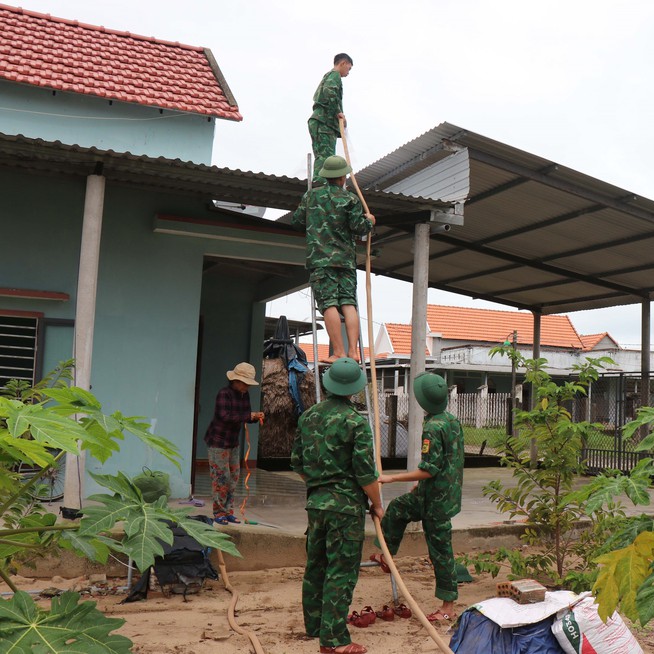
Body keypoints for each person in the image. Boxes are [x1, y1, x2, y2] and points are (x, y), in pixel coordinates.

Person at [292, 358, 383, 654]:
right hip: (345, 509)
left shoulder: (308, 417)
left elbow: (297, 462)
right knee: (341, 571)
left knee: (316, 566)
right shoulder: (355, 422)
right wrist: (377, 504)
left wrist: (319, 483)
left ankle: (316, 626)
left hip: (316, 505)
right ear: (354, 390)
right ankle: (334, 640)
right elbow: (366, 474)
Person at [370, 372, 464, 622]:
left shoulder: (433, 428)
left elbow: (429, 469)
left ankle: (448, 607)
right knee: (399, 507)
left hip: (437, 502)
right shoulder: (451, 420)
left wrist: (392, 478)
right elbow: (447, 462)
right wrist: (419, 487)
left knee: (440, 551)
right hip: (438, 493)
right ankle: (386, 556)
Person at [291, 155, 375, 362]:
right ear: (343, 177)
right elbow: (359, 227)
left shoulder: (311, 196)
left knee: (329, 304)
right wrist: (370, 221)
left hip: (320, 260)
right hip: (346, 261)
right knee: (348, 303)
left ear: (326, 176)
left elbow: (297, 221)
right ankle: (353, 352)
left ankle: (338, 352)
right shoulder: (351, 199)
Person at [203, 362, 264, 525]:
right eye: (245, 384)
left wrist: (255, 417)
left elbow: (245, 416)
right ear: (236, 381)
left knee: (234, 477)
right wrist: (248, 416)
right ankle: (218, 512)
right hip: (218, 442)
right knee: (221, 478)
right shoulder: (224, 394)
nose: (247, 387)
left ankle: (228, 511)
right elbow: (225, 416)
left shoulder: (245, 395)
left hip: (233, 443)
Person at [308, 53, 353, 179]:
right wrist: (338, 112)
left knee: (322, 156)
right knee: (326, 158)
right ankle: (322, 184)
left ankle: (320, 182)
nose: (348, 73)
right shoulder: (335, 76)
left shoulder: (328, 76)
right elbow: (329, 92)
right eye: (349, 68)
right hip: (324, 122)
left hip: (319, 121)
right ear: (343, 63)